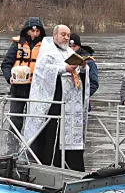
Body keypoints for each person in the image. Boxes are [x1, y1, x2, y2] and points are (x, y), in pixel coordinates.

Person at [22, 24, 88, 171]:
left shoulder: (69, 51)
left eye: (68, 35)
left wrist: (83, 66)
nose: (66, 38)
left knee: (70, 138)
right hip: (53, 103)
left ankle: (72, 168)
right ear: (55, 35)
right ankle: (51, 167)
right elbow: (43, 72)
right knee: (51, 137)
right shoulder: (47, 51)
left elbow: (77, 71)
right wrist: (64, 69)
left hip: (70, 106)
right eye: (63, 34)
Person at [1, 17, 46, 134]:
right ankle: (12, 145)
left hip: (37, 88)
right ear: (27, 31)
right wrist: (9, 78)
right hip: (18, 87)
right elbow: (6, 64)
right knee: (15, 121)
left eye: (37, 31)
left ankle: (33, 147)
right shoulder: (17, 45)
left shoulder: (45, 47)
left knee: (37, 120)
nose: (35, 34)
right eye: (32, 31)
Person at [69, 33, 99, 97]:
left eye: (74, 46)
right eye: (69, 46)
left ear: (79, 46)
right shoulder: (63, 58)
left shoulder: (89, 62)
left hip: (82, 99)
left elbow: (94, 83)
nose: (71, 49)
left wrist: (83, 95)